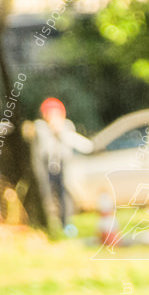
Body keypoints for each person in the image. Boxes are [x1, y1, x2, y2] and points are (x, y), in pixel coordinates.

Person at [34, 97, 93, 231]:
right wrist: (51, 130)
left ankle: (66, 224)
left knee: (64, 194)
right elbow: (43, 149)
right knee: (47, 194)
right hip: (46, 166)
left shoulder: (66, 126)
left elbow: (73, 143)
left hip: (62, 165)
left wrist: (59, 131)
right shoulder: (41, 128)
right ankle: (48, 225)